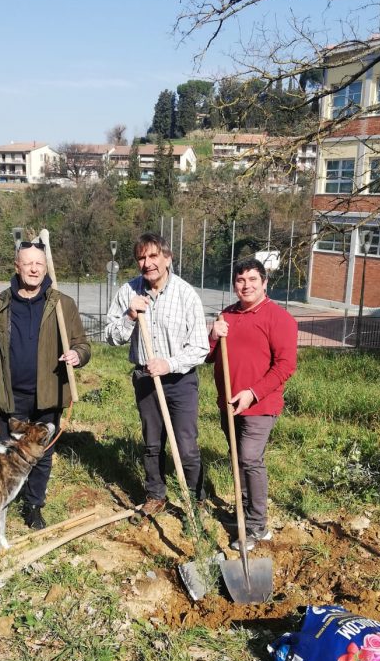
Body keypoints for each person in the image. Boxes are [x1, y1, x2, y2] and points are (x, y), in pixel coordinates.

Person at [0, 241, 90, 530]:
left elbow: (82, 344)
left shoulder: (62, 304)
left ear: (46, 267)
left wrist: (78, 355)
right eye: (28, 263)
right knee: (1, 454)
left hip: (46, 395)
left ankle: (33, 505)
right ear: (17, 267)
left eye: (39, 263)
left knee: (42, 454)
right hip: (8, 395)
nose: (34, 268)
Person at [105, 232, 209, 515]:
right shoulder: (128, 292)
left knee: (186, 445)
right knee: (152, 443)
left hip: (180, 380)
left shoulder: (186, 294)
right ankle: (155, 495)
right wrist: (129, 316)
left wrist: (170, 364)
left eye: (153, 256)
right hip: (145, 380)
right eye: (141, 257)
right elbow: (110, 336)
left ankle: (195, 500)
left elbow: (200, 346)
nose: (147, 263)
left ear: (167, 258)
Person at [208, 257, 297, 550]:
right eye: (240, 280)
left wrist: (252, 393)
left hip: (260, 405)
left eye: (252, 280)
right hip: (229, 404)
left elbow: (285, 366)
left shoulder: (279, 318)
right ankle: (244, 514)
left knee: (249, 459)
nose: (245, 286)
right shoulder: (227, 315)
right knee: (237, 459)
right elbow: (208, 355)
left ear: (264, 283)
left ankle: (257, 525)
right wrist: (212, 335)